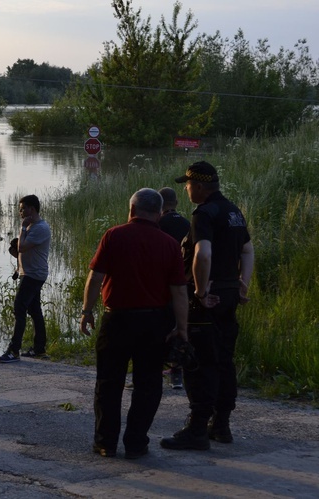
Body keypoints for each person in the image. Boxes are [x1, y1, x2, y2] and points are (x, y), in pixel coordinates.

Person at [81, 188, 189, 459]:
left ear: (131, 210)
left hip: (117, 319)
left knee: (108, 382)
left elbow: (95, 278)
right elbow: (179, 291)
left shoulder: (114, 236)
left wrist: (86, 310)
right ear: (159, 213)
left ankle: (106, 443)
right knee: (149, 384)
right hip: (154, 322)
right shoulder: (169, 244)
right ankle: (136, 442)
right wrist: (182, 327)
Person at [161, 161, 254, 451]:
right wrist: (242, 283)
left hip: (207, 300)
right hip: (228, 295)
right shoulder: (233, 211)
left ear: (199, 186)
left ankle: (197, 429)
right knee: (224, 359)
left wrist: (200, 291)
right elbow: (248, 250)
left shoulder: (204, 213)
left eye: (187, 185)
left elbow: (202, 253)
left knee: (199, 362)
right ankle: (221, 425)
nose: (186, 190)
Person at [0, 194, 51, 362]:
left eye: (22, 209)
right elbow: (22, 251)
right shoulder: (31, 227)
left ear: (32, 209)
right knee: (34, 310)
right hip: (29, 273)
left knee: (19, 307)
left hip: (34, 275)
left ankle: (14, 351)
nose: (20, 212)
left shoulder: (39, 227)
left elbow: (23, 247)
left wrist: (22, 229)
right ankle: (39, 349)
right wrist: (18, 264)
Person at [159, 187, 191, 390]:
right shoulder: (188, 223)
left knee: (160, 325)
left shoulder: (158, 224)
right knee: (179, 324)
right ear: (176, 203)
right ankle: (177, 374)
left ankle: (150, 370)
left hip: (161, 282)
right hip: (184, 280)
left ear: (160, 205)